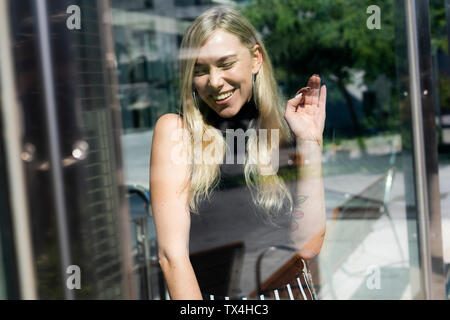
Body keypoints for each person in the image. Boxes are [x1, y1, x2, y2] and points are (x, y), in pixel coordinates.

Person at [150, 6, 326, 300]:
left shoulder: (285, 128)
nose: (215, 81)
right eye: (201, 70)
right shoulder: (177, 132)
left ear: (255, 59)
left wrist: (310, 142)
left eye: (225, 64)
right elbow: (171, 257)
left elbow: (307, 245)